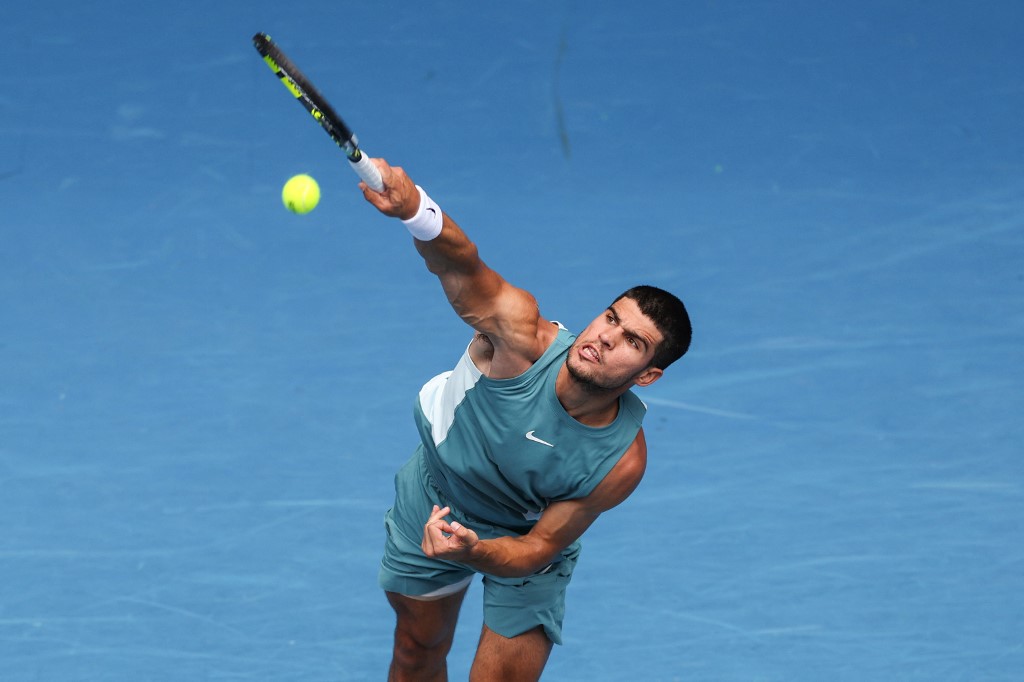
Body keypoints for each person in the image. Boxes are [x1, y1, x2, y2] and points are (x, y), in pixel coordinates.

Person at [359, 158, 692, 682]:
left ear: (647, 376)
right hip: (436, 498)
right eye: (611, 318)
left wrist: (477, 549)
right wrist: (416, 211)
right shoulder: (519, 337)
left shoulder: (621, 462)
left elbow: (538, 548)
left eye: (632, 341)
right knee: (416, 651)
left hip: (524, 538)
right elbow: (462, 267)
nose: (605, 336)